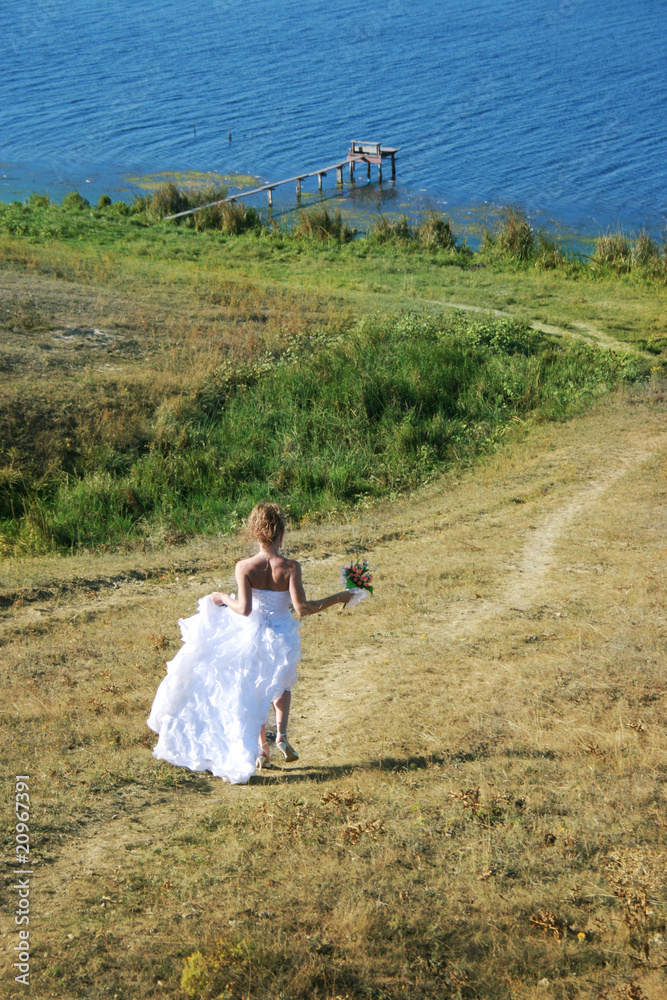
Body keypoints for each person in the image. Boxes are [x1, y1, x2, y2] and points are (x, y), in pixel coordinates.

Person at [147, 502, 358, 784]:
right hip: (282, 636)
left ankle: (262, 749)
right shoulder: (291, 567)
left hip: (253, 636)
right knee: (281, 686)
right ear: (282, 534)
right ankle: (281, 735)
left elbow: (244, 609)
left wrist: (223, 598)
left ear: (255, 534)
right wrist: (339, 597)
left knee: (256, 688)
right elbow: (303, 608)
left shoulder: (244, 567)